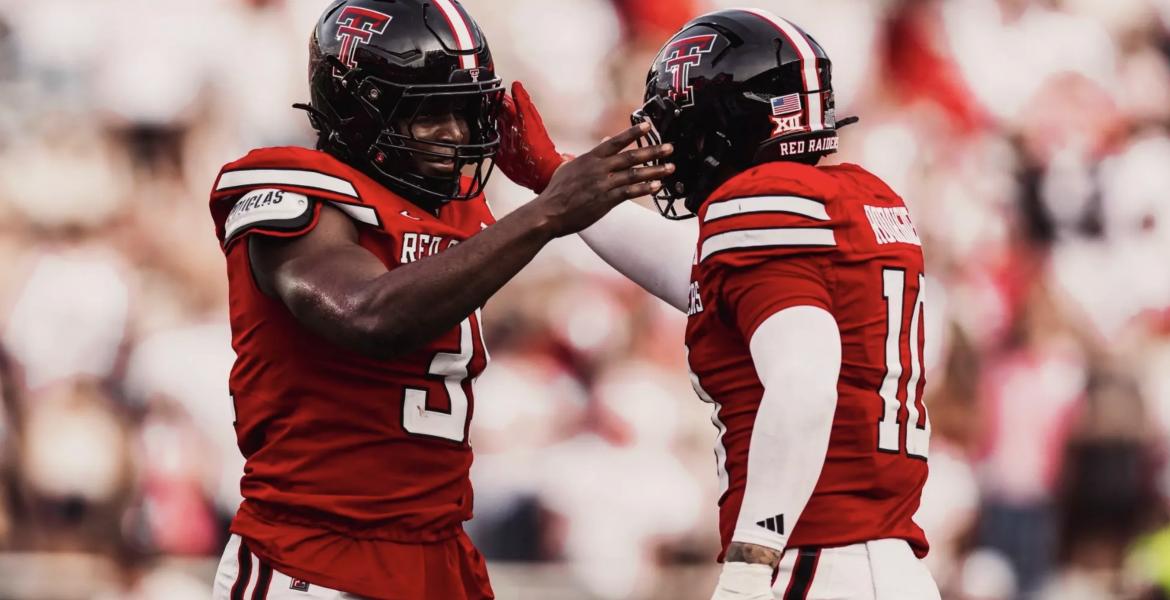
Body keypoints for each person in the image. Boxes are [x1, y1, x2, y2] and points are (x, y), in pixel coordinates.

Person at [205, 0, 673, 598]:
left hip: (437, 553)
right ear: (356, 111)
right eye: (428, 114)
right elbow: (365, 313)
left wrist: (551, 179)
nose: (454, 134)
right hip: (316, 557)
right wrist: (548, 210)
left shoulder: (457, 207)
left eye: (465, 110)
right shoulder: (291, 190)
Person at [497, 8, 941, 600]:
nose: (676, 145)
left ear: (730, 122)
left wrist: (753, 558)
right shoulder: (860, 199)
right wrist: (555, 179)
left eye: (685, 124)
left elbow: (805, 382)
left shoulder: (759, 204)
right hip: (889, 569)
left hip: (813, 561)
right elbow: (701, 273)